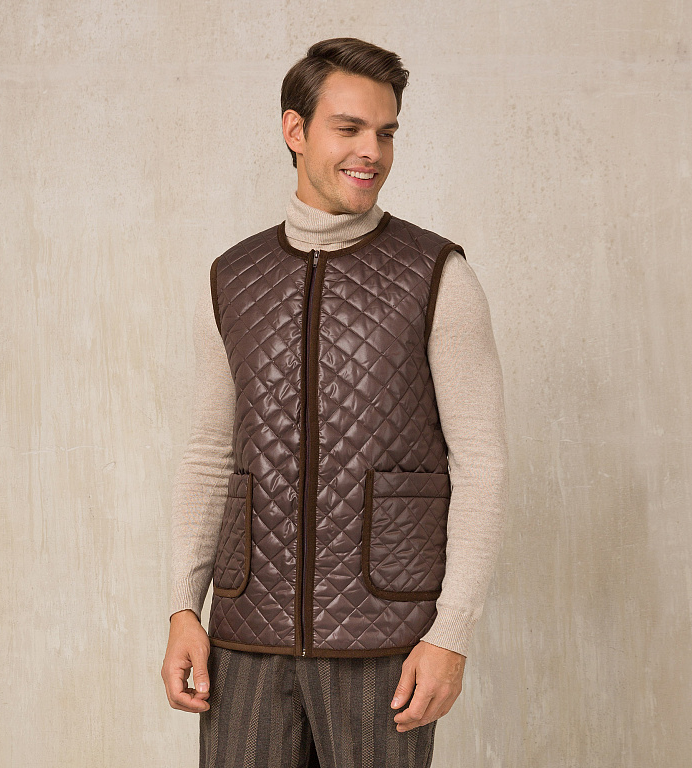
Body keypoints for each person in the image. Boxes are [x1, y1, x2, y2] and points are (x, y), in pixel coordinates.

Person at [162, 37, 509, 768]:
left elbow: (481, 464)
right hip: (246, 636)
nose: (371, 152)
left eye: (385, 132)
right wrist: (182, 606)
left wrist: (451, 633)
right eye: (348, 128)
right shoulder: (232, 278)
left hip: (386, 641)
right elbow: (210, 454)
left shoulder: (437, 276)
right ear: (296, 130)